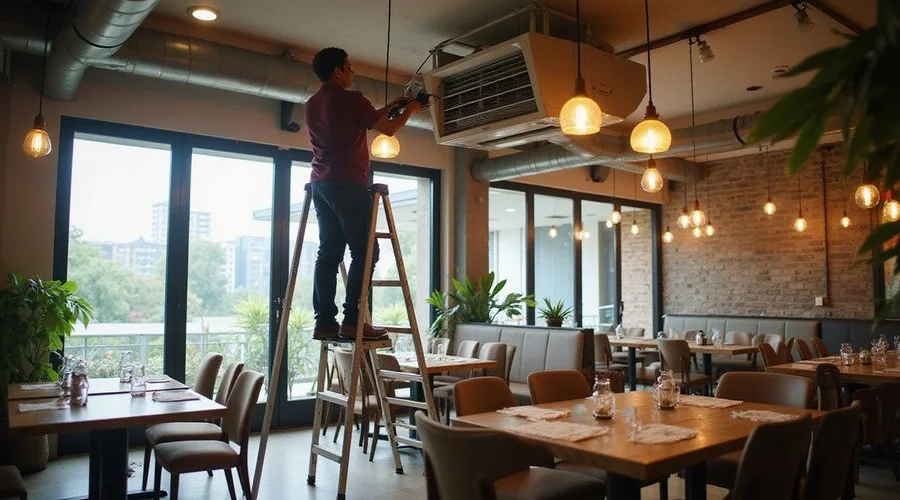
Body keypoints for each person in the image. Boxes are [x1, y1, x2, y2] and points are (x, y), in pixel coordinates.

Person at [305, 47, 423, 341]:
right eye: (349, 67)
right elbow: (389, 129)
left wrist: (391, 105)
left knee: (329, 253)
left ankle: (325, 322)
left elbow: (370, 118)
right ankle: (354, 321)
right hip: (348, 182)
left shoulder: (312, 103)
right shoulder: (350, 98)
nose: (352, 72)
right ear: (338, 71)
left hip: (320, 183)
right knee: (366, 251)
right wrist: (411, 109)